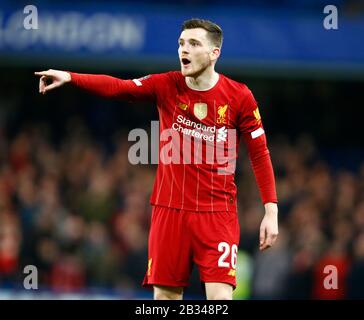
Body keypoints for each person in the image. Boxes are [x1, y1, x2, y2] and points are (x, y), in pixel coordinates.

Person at [35, 18, 278, 300]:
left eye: (194, 44)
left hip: (218, 215)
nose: (183, 50)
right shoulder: (167, 85)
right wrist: (70, 76)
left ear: (214, 53)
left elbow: (260, 153)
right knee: (164, 300)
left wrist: (270, 212)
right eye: (181, 43)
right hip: (169, 211)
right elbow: (120, 87)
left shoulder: (239, 96)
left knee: (219, 300)